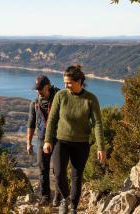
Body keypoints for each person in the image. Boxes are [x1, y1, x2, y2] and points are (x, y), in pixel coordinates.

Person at [43, 65, 107, 214]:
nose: (66, 85)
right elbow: (52, 119)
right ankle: (65, 199)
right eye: (65, 82)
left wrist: (101, 147)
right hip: (61, 141)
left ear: (79, 81)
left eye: (69, 83)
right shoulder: (61, 95)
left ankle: (73, 207)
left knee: (76, 176)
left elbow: (97, 124)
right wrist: (47, 140)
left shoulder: (91, 99)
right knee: (58, 174)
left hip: (81, 144)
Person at [26, 75, 62, 206]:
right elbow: (31, 124)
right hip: (42, 139)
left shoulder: (60, 97)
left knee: (58, 170)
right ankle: (45, 197)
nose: (38, 91)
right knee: (42, 168)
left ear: (48, 87)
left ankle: (59, 196)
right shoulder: (35, 103)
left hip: (59, 138)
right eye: (37, 89)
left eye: (40, 89)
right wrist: (28, 143)